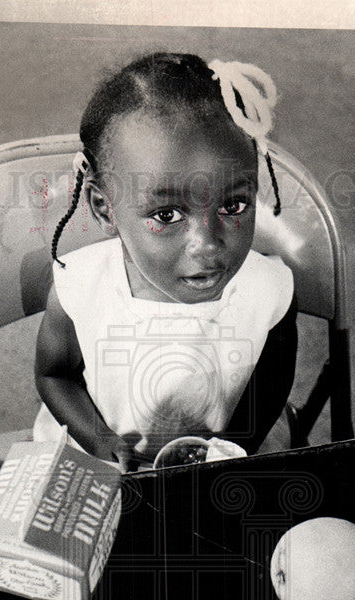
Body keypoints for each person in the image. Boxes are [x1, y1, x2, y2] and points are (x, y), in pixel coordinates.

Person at [33, 52, 297, 471]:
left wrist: (230, 448)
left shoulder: (269, 290)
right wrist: (101, 442)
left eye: (234, 204)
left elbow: (271, 382)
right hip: (102, 461)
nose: (207, 246)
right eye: (166, 215)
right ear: (104, 209)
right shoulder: (81, 288)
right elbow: (54, 376)